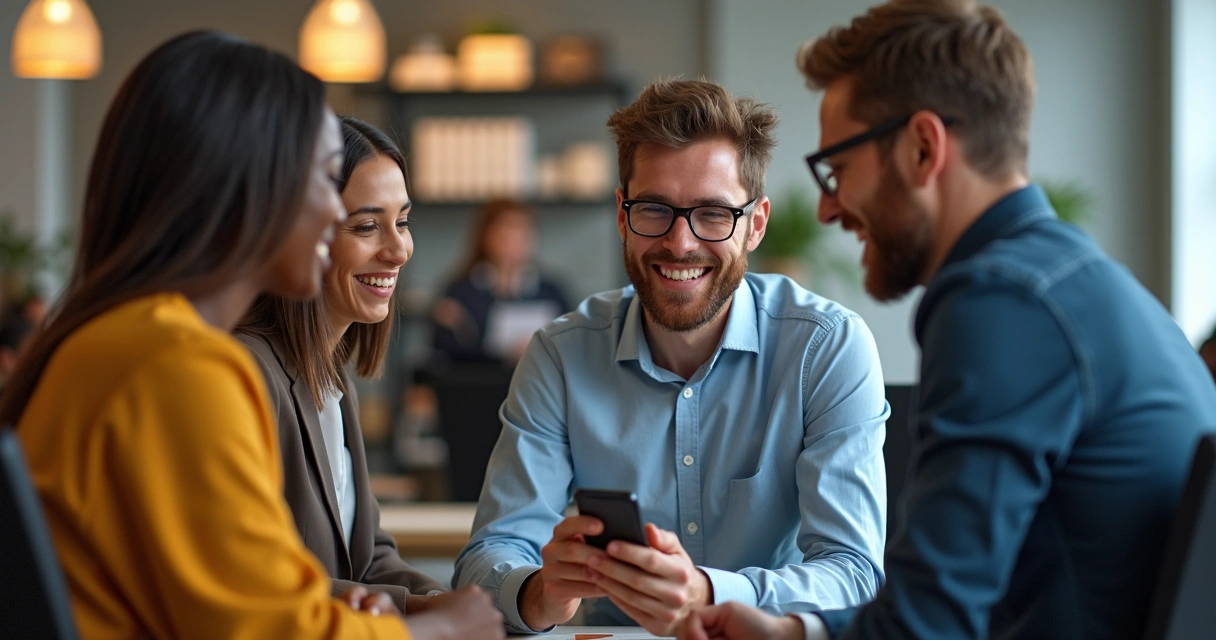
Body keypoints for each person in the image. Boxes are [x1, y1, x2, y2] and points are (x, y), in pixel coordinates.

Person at [678, 2, 1216, 639]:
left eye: (838, 170)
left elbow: (930, 624)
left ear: (923, 148)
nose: (827, 209)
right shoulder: (1075, 280)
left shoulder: (1000, 300)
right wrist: (795, 633)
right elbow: (957, 602)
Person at [0, 31, 501, 640]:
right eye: (321, 181)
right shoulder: (177, 364)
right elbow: (273, 630)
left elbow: (270, 590)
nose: (329, 212)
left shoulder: (124, 339)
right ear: (245, 187)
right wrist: (446, 629)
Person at [454, 79, 889, 636]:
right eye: (655, 209)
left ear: (754, 224)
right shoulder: (560, 356)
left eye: (712, 214)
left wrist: (708, 591)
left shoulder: (826, 346)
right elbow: (488, 556)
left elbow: (854, 573)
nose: (680, 243)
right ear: (621, 215)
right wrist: (540, 591)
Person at [235, 116, 468, 615]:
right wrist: (429, 614)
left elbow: (366, 560)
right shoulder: (247, 373)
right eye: (366, 226)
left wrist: (461, 605)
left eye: (402, 222)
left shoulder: (334, 377)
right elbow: (255, 579)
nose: (399, 249)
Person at [430, 198, 570, 367]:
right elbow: (443, 351)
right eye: (505, 234)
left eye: (522, 234)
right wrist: (500, 353)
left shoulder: (552, 291)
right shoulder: (460, 292)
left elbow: (572, 341)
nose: (514, 242)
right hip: (479, 383)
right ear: (486, 236)